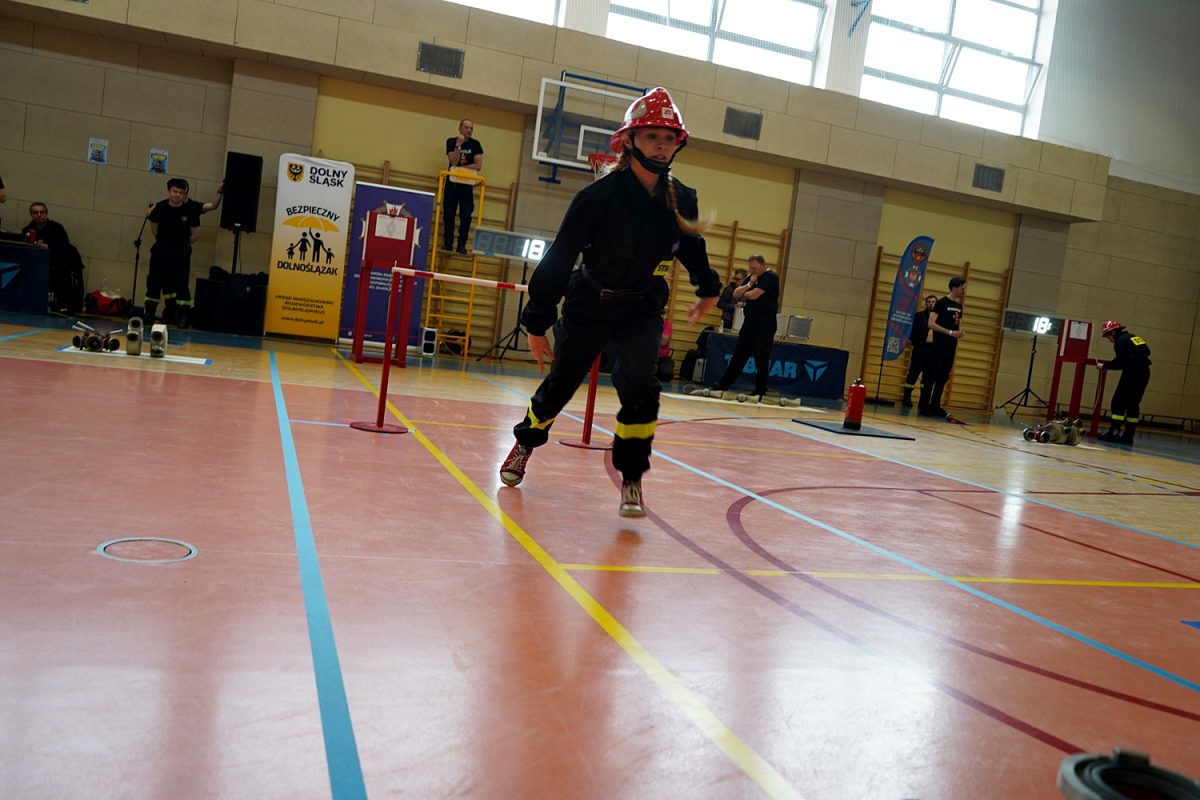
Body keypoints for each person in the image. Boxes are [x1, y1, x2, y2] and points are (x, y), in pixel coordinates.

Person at [498, 87, 721, 517]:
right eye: (652, 136)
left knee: (641, 388)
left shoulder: (681, 198)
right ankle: (525, 443)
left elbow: (692, 248)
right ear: (630, 140)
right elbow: (559, 258)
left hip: (641, 308)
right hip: (590, 303)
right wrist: (536, 324)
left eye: (668, 138)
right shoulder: (596, 199)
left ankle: (632, 476)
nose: (661, 145)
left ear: (677, 144)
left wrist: (708, 288)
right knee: (559, 385)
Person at [145, 177, 222, 325]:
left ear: (185, 193)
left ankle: (183, 316)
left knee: (181, 284)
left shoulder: (190, 209)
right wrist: (164, 243)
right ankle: (149, 313)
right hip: (161, 250)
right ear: (169, 191)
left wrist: (182, 246)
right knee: (154, 282)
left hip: (180, 251)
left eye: (181, 192)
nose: (177, 195)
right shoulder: (159, 207)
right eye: (175, 191)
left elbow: (195, 233)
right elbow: (154, 228)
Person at [706, 255, 780, 401]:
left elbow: (754, 295)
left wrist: (745, 293)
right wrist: (749, 284)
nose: (752, 270)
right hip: (749, 323)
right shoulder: (752, 278)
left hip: (764, 325)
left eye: (755, 268)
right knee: (739, 355)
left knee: (761, 358)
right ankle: (724, 384)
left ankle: (760, 390)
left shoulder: (771, 277)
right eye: (750, 268)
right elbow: (735, 294)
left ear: (763, 265)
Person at [21, 202, 85, 313]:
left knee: (62, 272)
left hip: (58, 262)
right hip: (36, 263)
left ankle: (63, 305)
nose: (39, 215)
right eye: (36, 212)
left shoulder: (57, 228)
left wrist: (48, 247)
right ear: (31, 215)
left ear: (46, 214)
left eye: (42, 212)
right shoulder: (27, 230)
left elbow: (65, 247)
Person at [1097, 320, 1151, 445]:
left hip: (1132, 373)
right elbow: (1147, 352)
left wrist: (1104, 366)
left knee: (1118, 402)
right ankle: (1128, 436)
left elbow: (1119, 362)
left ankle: (1113, 432)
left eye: (1109, 337)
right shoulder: (1135, 337)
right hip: (1144, 372)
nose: (1110, 341)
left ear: (1113, 333)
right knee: (1133, 404)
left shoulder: (1120, 341)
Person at [919, 276, 967, 418]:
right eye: (962, 287)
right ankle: (924, 405)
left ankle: (935, 406)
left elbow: (958, 324)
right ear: (955, 287)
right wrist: (950, 332)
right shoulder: (941, 303)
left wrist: (959, 332)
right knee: (931, 375)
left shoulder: (959, 306)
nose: (964, 290)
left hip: (951, 347)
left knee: (943, 376)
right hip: (938, 346)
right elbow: (931, 323)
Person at [443, 119, 483, 254]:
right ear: (460, 128)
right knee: (448, 215)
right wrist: (458, 145)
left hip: (466, 185)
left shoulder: (475, 144)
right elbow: (453, 162)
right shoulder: (451, 141)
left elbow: (478, 165)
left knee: (466, 216)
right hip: (452, 184)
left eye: (471, 128)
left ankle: (461, 244)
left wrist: (461, 169)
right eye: (466, 127)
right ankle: (448, 243)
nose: (469, 130)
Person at [902, 294, 937, 408]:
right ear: (926, 303)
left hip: (932, 351)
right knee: (913, 375)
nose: (931, 304)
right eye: (929, 302)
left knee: (927, 378)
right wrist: (913, 340)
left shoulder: (939, 318)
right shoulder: (919, 316)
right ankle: (906, 398)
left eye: (933, 302)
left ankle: (923, 402)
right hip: (920, 349)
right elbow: (912, 331)